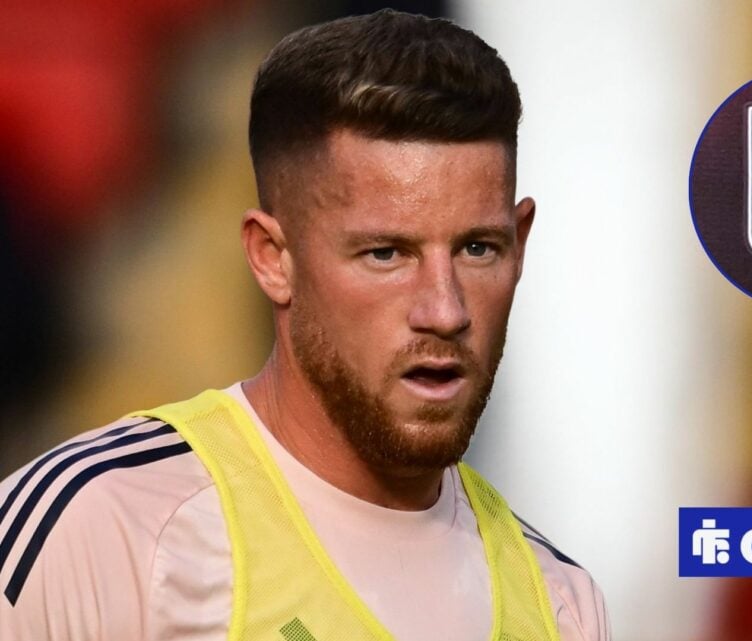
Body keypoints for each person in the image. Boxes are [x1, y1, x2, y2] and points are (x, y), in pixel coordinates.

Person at [0, 9, 609, 641]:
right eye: (386, 253)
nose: (445, 310)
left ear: (521, 243)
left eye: (477, 249)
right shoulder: (106, 532)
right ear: (272, 258)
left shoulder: (562, 603)